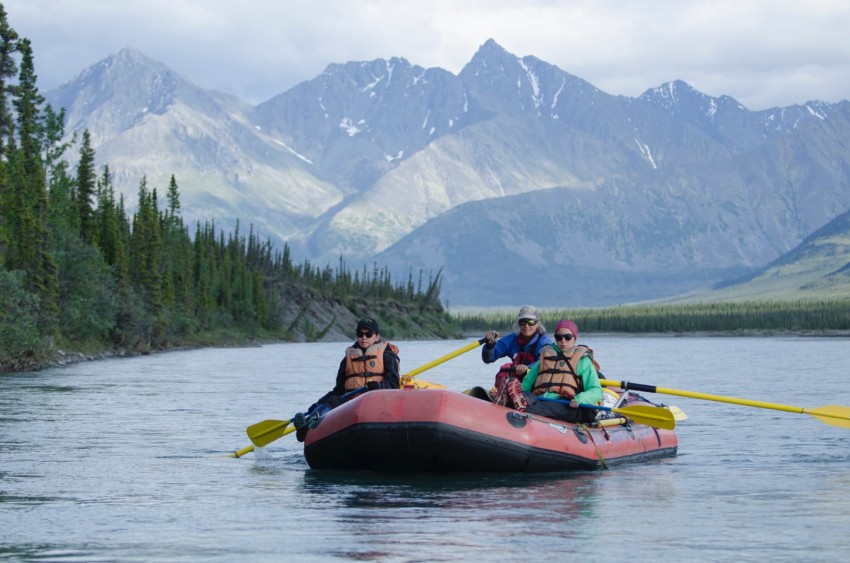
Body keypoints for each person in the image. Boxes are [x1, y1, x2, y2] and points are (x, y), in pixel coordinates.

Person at [293, 318, 400, 442]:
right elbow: (339, 390)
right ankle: (306, 428)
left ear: (376, 336)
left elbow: (394, 384)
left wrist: (379, 387)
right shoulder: (347, 359)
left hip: (377, 400)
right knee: (332, 401)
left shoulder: (387, 355)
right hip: (351, 403)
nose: (364, 337)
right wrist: (318, 404)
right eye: (360, 334)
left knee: (335, 402)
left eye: (368, 334)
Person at [518, 319, 603, 423]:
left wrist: (580, 399)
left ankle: (522, 408)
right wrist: (520, 393)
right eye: (559, 337)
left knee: (538, 407)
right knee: (528, 400)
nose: (563, 341)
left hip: (567, 405)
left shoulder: (583, 361)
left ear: (574, 338)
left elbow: (596, 390)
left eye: (568, 337)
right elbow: (528, 382)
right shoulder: (545, 357)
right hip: (540, 400)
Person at [481, 305, 553, 408]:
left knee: (509, 369)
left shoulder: (545, 343)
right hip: (517, 382)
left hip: (536, 382)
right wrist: (489, 345)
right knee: (505, 369)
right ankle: (503, 398)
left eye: (531, 322)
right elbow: (489, 358)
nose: (526, 326)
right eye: (522, 322)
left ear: (538, 324)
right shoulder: (512, 340)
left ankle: (519, 401)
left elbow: (545, 364)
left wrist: (528, 368)